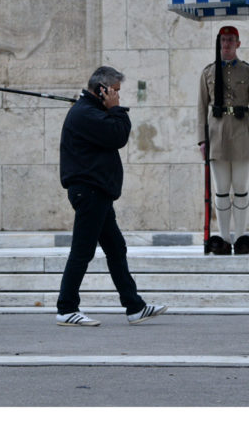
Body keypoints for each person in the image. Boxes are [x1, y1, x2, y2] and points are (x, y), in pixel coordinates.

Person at [55, 66, 167, 327]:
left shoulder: (92, 111)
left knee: (116, 248)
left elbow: (115, 129)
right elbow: (118, 135)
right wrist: (115, 108)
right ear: (102, 89)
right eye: (115, 91)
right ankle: (66, 307)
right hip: (90, 191)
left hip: (98, 192)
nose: (118, 96)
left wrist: (112, 109)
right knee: (82, 251)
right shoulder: (86, 114)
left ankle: (134, 306)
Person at [197, 25, 249, 255]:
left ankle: (240, 237)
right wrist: (201, 140)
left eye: (231, 40)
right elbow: (200, 109)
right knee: (222, 189)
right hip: (217, 134)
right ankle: (224, 238)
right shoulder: (208, 72)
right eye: (223, 40)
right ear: (219, 43)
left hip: (243, 132)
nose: (226, 44)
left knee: (242, 187)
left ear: (238, 44)